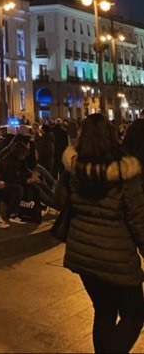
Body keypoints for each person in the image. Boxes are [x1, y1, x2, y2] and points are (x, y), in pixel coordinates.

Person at [57, 113, 144, 354]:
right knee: (135, 314)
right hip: (117, 257)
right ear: (112, 135)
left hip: (82, 253)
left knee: (104, 312)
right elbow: (138, 218)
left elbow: (59, 199)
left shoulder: (73, 168)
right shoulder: (125, 170)